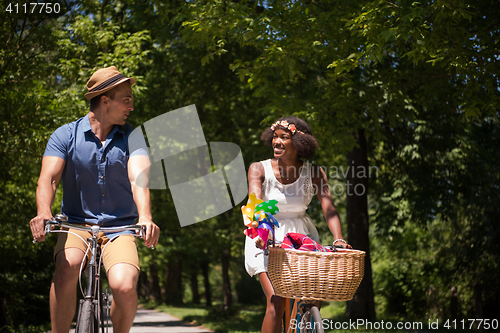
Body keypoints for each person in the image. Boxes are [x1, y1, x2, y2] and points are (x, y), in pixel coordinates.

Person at [29, 66, 160, 333]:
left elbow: (139, 180)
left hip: (120, 227)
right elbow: (49, 178)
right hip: (75, 225)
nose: (131, 106)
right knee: (67, 270)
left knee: (124, 285)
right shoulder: (65, 135)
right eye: (126, 99)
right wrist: (44, 211)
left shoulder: (133, 137)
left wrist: (145, 216)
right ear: (105, 101)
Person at [244, 116, 351, 333]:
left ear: (299, 143)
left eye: (284, 137)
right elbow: (254, 201)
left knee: (313, 298)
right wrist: (258, 226)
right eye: (275, 137)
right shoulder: (259, 169)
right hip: (266, 236)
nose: (277, 142)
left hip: (300, 238)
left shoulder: (314, 173)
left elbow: (329, 208)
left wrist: (339, 239)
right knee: (276, 301)